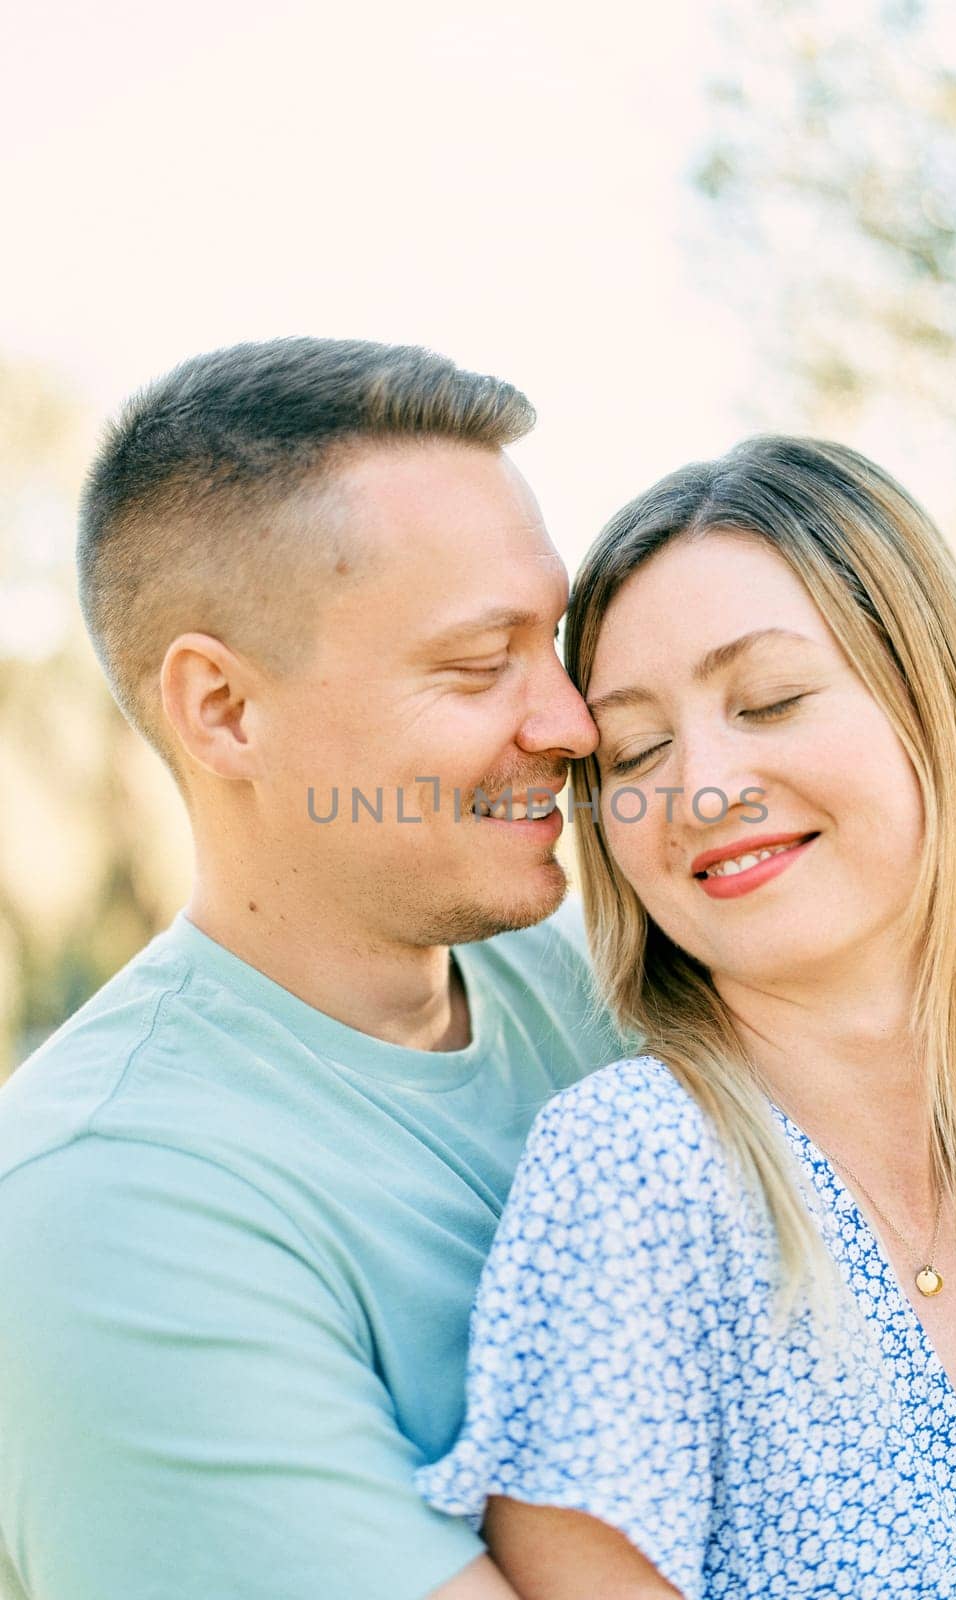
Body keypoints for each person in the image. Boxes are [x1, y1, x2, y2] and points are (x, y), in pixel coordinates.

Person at [0, 338, 626, 1600]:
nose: (571, 724)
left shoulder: (601, 995)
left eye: (552, 644)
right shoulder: (108, 1203)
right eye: (474, 662)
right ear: (224, 710)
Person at [418, 436, 956, 1599]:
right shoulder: (634, 1175)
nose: (699, 788)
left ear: (934, 702)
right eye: (637, 749)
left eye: (766, 701)